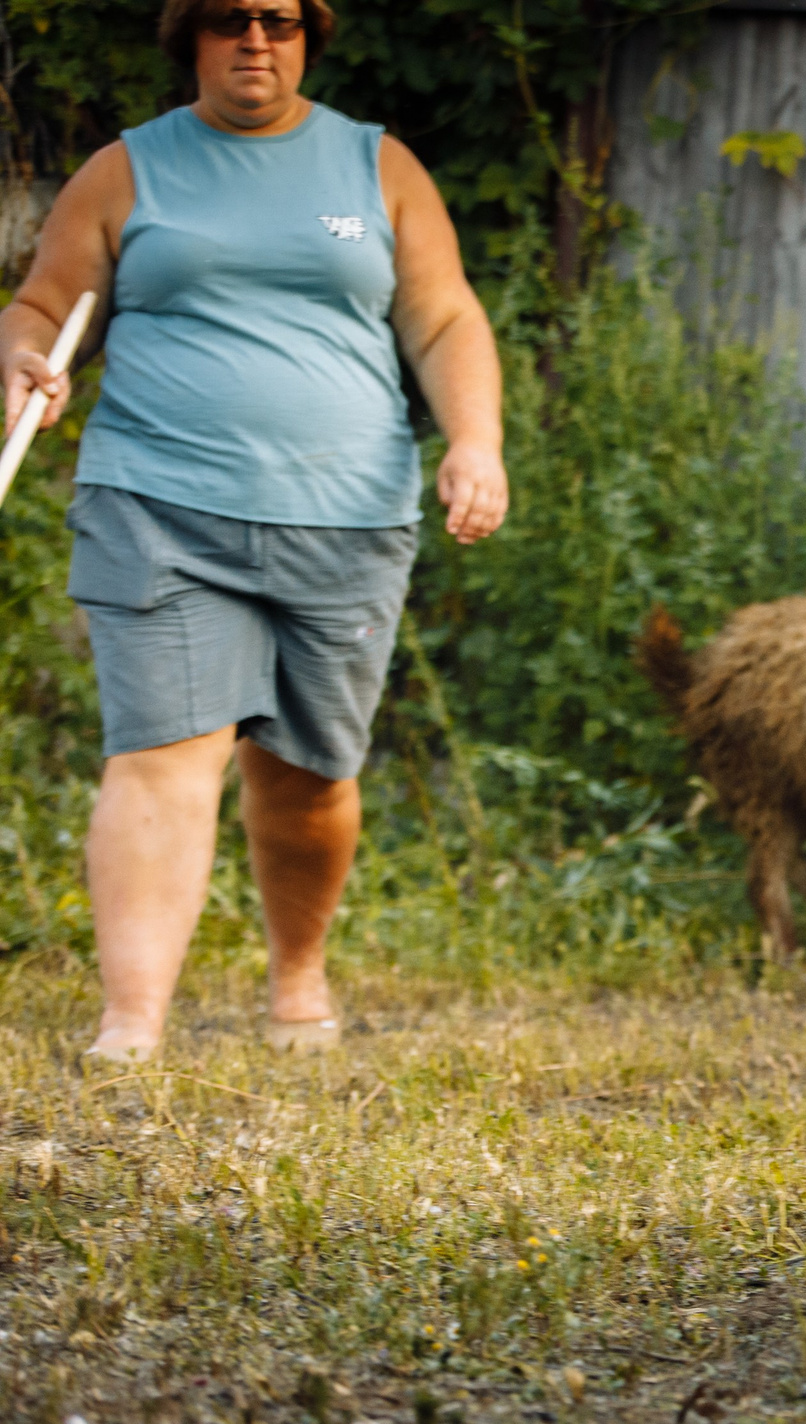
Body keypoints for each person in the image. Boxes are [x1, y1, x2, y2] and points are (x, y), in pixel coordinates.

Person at [0, 0, 507, 1060]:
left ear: (310, 33)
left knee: (310, 772)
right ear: (190, 35)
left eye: (278, 18)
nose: (256, 40)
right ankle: (130, 1027)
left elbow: (447, 316)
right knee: (163, 756)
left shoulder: (378, 168)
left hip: (347, 514)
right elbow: (45, 306)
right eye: (230, 18)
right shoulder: (127, 170)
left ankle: (297, 981)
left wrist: (474, 442)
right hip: (158, 506)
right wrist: (22, 356)